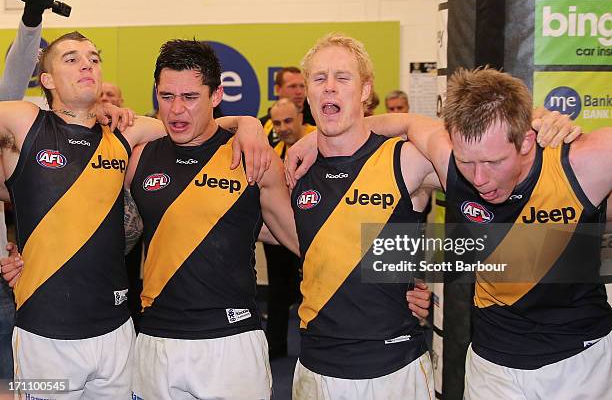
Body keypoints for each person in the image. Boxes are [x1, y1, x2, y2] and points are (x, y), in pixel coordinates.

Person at [288, 67, 610, 399]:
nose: (479, 178)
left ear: (526, 140)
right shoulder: (449, 161)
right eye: (467, 162)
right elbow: (407, 123)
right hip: (493, 363)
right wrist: (322, 137)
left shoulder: (585, 161)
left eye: (493, 161)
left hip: (582, 358)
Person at [0, 31, 269, 398]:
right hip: (43, 335)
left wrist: (247, 124)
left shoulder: (128, 132)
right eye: (71, 58)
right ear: (46, 79)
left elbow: (195, 127)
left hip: (117, 333)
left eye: (94, 58)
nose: (87, 64)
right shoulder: (25, 121)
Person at [124, 39, 301, 399]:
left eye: (190, 97)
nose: (176, 110)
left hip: (232, 344)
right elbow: (106, 237)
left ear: (216, 95)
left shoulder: (253, 158)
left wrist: (398, 280)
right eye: (166, 96)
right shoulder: (138, 159)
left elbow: (309, 240)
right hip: (156, 339)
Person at [289, 33, 438, 399]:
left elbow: (476, 167)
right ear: (307, 92)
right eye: (319, 79)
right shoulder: (293, 170)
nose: (329, 88)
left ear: (365, 89)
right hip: (316, 368)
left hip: (395, 366)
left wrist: (426, 274)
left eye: (343, 78)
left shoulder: (404, 159)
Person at [0, 0, 52, 383]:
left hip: (2, 278)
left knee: (14, 380)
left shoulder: (3, 109)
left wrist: (31, 18)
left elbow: (13, 79)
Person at [264, 98, 315, 359]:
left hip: (316, 233)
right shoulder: (272, 150)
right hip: (280, 229)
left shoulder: (321, 142)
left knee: (314, 290)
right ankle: (275, 346)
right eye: (276, 123)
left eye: (287, 121)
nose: (283, 128)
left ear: (300, 117)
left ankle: (316, 349)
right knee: (277, 290)